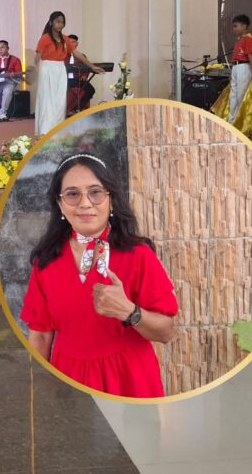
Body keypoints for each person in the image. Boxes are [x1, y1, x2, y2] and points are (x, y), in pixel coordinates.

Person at [20, 154, 178, 398]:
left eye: (95, 192)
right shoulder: (46, 261)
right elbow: (40, 336)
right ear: (60, 204)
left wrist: (130, 312)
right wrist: (36, 390)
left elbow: (166, 333)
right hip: (69, 380)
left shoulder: (138, 255)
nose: (85, 203)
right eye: (72, 194)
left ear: (111, 199)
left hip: (129, 379)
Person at [34, 13, 104, 137]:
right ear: (51, 22)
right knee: (48, 100)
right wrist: (34, 68)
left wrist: (91, 66)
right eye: (57, 21)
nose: (60, 24)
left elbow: (77, 54)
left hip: (60, 69)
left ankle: (56, 130)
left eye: (62, 22)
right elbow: (37, 57)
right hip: (47, 68)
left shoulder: (65, 39)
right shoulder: (45, 38)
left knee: (60, 101)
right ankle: (45, 130)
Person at [211, 15, 252, 135]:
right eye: (233, 26)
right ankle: (231, 121)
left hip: (244, 67)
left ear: (244, 26)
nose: (234, 29)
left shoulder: (248, 39)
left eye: (236, 26)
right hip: (236, 67)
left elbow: (250, 55)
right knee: (233, 95)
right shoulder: (239, 40)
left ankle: (239, 122)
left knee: (241, 95)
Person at [66, 34, 96, 116]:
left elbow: (87, 68)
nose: (71, 44)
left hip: (77, 80)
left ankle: (76, 109)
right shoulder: (63, 55)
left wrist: (84, 76)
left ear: (77, 44)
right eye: (69, 42)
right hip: (65, 80)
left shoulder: (82, 56)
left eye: (73, 42)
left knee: (91, 90)